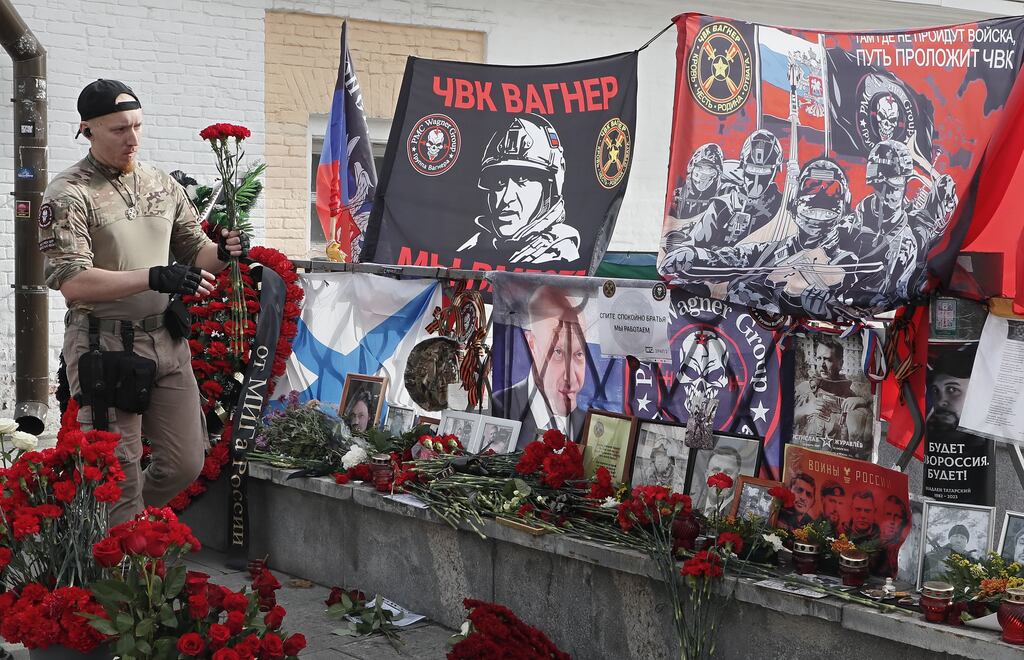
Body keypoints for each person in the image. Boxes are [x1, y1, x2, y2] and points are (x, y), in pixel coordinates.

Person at [40, 79, 247, 526]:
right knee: (121, 473)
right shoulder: (68, 192)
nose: (132, 138)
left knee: (186, 462)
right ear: (87, 130)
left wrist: (225, 250)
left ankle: (112, 529)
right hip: (106, 348)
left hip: (166, 342)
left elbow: (195, 251)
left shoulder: (161, 183)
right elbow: (73, 282)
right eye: (118, 129)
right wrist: (152, 276)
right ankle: (123, 572)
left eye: (137, 126)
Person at [456, 114, 578, 265]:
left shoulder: (558, 256)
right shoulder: (473, 247)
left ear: (551, 187)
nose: (506, 198)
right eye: (499, 181)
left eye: (522, 180)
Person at [494, 286, 588, 449]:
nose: (571, 378)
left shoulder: (589, 426)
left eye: (579, 354)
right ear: (532, 344)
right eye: (558, 352)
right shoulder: (498, 409)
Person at [793, 336, 872, 450]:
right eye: (819, 358)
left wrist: (863, 404)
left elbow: (862, 445)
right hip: (802, 456)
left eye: (828, 359)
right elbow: (782, 423)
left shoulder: (851, 397)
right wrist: (804, 409)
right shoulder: (803, 389)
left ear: (840, 363)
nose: (822, 364)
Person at [698, 445, 742, 516]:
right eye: (715, 470)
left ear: (738, 479)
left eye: (728, 472)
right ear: (706, 476)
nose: (721, 478)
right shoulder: (693, 504)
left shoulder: (742, 514)